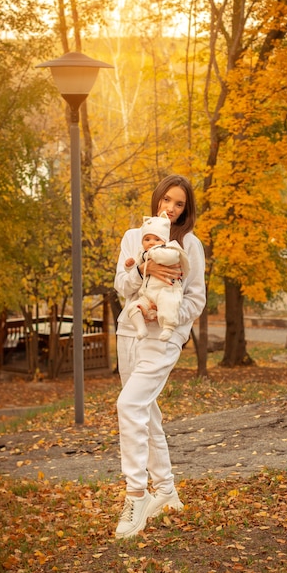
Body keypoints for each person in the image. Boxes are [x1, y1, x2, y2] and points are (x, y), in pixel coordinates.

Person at [114, 174, 206, 538]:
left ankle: (136, 495)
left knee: (130, 406)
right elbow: (121, 285)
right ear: (156, 199)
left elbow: (195, 300)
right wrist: (142, 269)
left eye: (178, 203)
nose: (169, 207)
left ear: (186, 210)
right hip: (129, 331)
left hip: (164, 337)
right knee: (145, 411)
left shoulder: (191, 246)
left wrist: (166, 315)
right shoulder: (133, 238)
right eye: (166, 199)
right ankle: (166, 490)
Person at [124, 211, 190, 342]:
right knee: (132, 307)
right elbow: (135, 271)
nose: (151, 243)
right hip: (147, 294)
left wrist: (150, 255)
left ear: (164, 240)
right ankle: (141, 328)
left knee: (168, 305)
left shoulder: (170, 250)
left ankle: (168, 327)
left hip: (166, 290)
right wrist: (129, 266)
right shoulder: (142, 253)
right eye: (147, 239)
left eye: (156, 239)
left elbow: (170, 258)